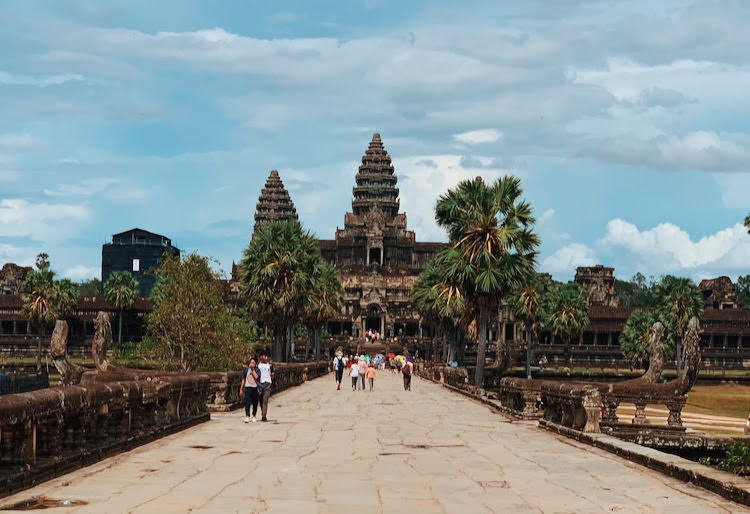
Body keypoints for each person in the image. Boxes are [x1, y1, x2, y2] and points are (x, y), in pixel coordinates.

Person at [239, 358, 259, 423]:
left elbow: (256, 377)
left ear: (255, 364)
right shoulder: (246, 371)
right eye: (251, 363)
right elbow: (243, 380)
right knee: (247, 402)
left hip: (255, 388)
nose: (252, 364)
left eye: (253, 363)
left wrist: (253, 370)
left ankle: (254, 415)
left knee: (255, 403)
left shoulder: (257, 370)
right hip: (247, 388)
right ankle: (247, 415)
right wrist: (241, 389)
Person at [257, 354, 274, 422]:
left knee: (265, 400)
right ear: (261, 357)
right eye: (265, 356)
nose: (266, 358)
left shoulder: (270, 365)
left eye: (267, 356)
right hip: (260, 383)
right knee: (261, 400)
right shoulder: (258, 365)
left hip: (267, 383)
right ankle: (263, 412)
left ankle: (264, 415)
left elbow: (272, 373)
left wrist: (272, 376)